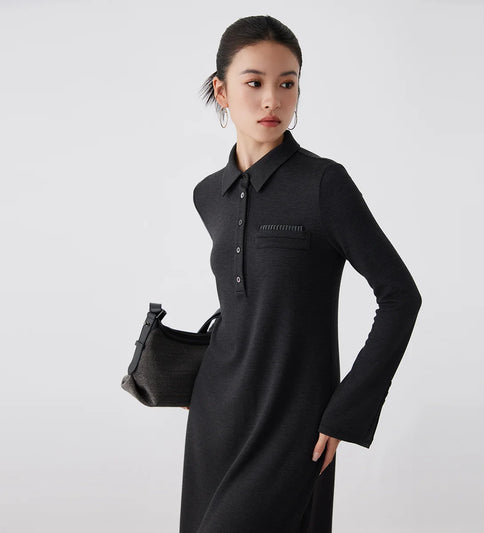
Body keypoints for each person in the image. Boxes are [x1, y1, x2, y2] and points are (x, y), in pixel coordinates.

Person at [179, 15, 422, 533]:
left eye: (287, 84)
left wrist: (345, 410)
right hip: (214, 417)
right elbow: (249, 300)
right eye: (254, 83)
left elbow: (400, 296)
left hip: (296, 423)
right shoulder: (208, 195)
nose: (272, 99)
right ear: (221, 91)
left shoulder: (324, 184)